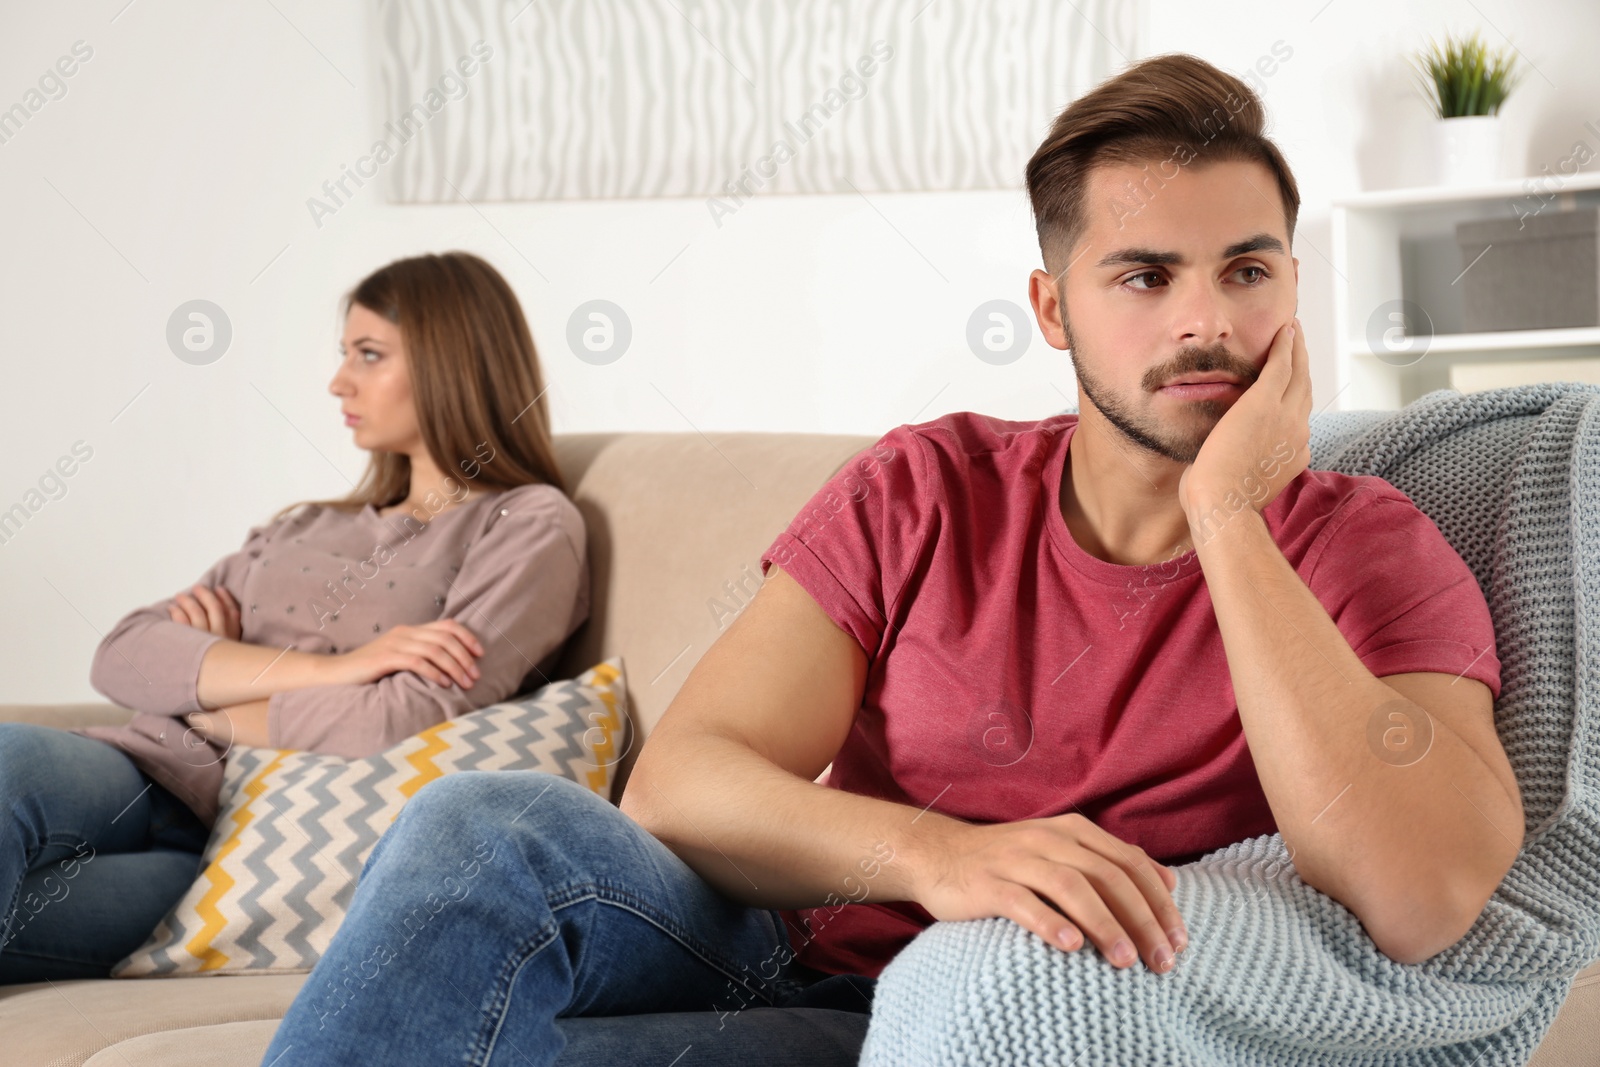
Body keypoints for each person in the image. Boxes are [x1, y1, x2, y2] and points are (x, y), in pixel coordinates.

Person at [261, 53, 1523, 1066]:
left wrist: (1230, 519)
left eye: (1248, 271)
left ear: (1293, 287)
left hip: (1007, 1019)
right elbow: (684, 782)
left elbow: (1424, 897)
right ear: (1050, 310)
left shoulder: (1367, 545)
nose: (1207, 320)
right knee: (484, 824)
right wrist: (941, 855)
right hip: (784, 956)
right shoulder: (928, 485)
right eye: (1145, 274)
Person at [0, 251, 589, 985]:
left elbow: (403, 714)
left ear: (453, 363)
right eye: (345, 354)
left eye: (368, 355)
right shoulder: (305, 524)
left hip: (234, 852)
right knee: (8, 759)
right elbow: (122, 653)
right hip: (140, 768)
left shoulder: (527, 522)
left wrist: (207, 691)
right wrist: (339, 670)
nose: (338, 381)